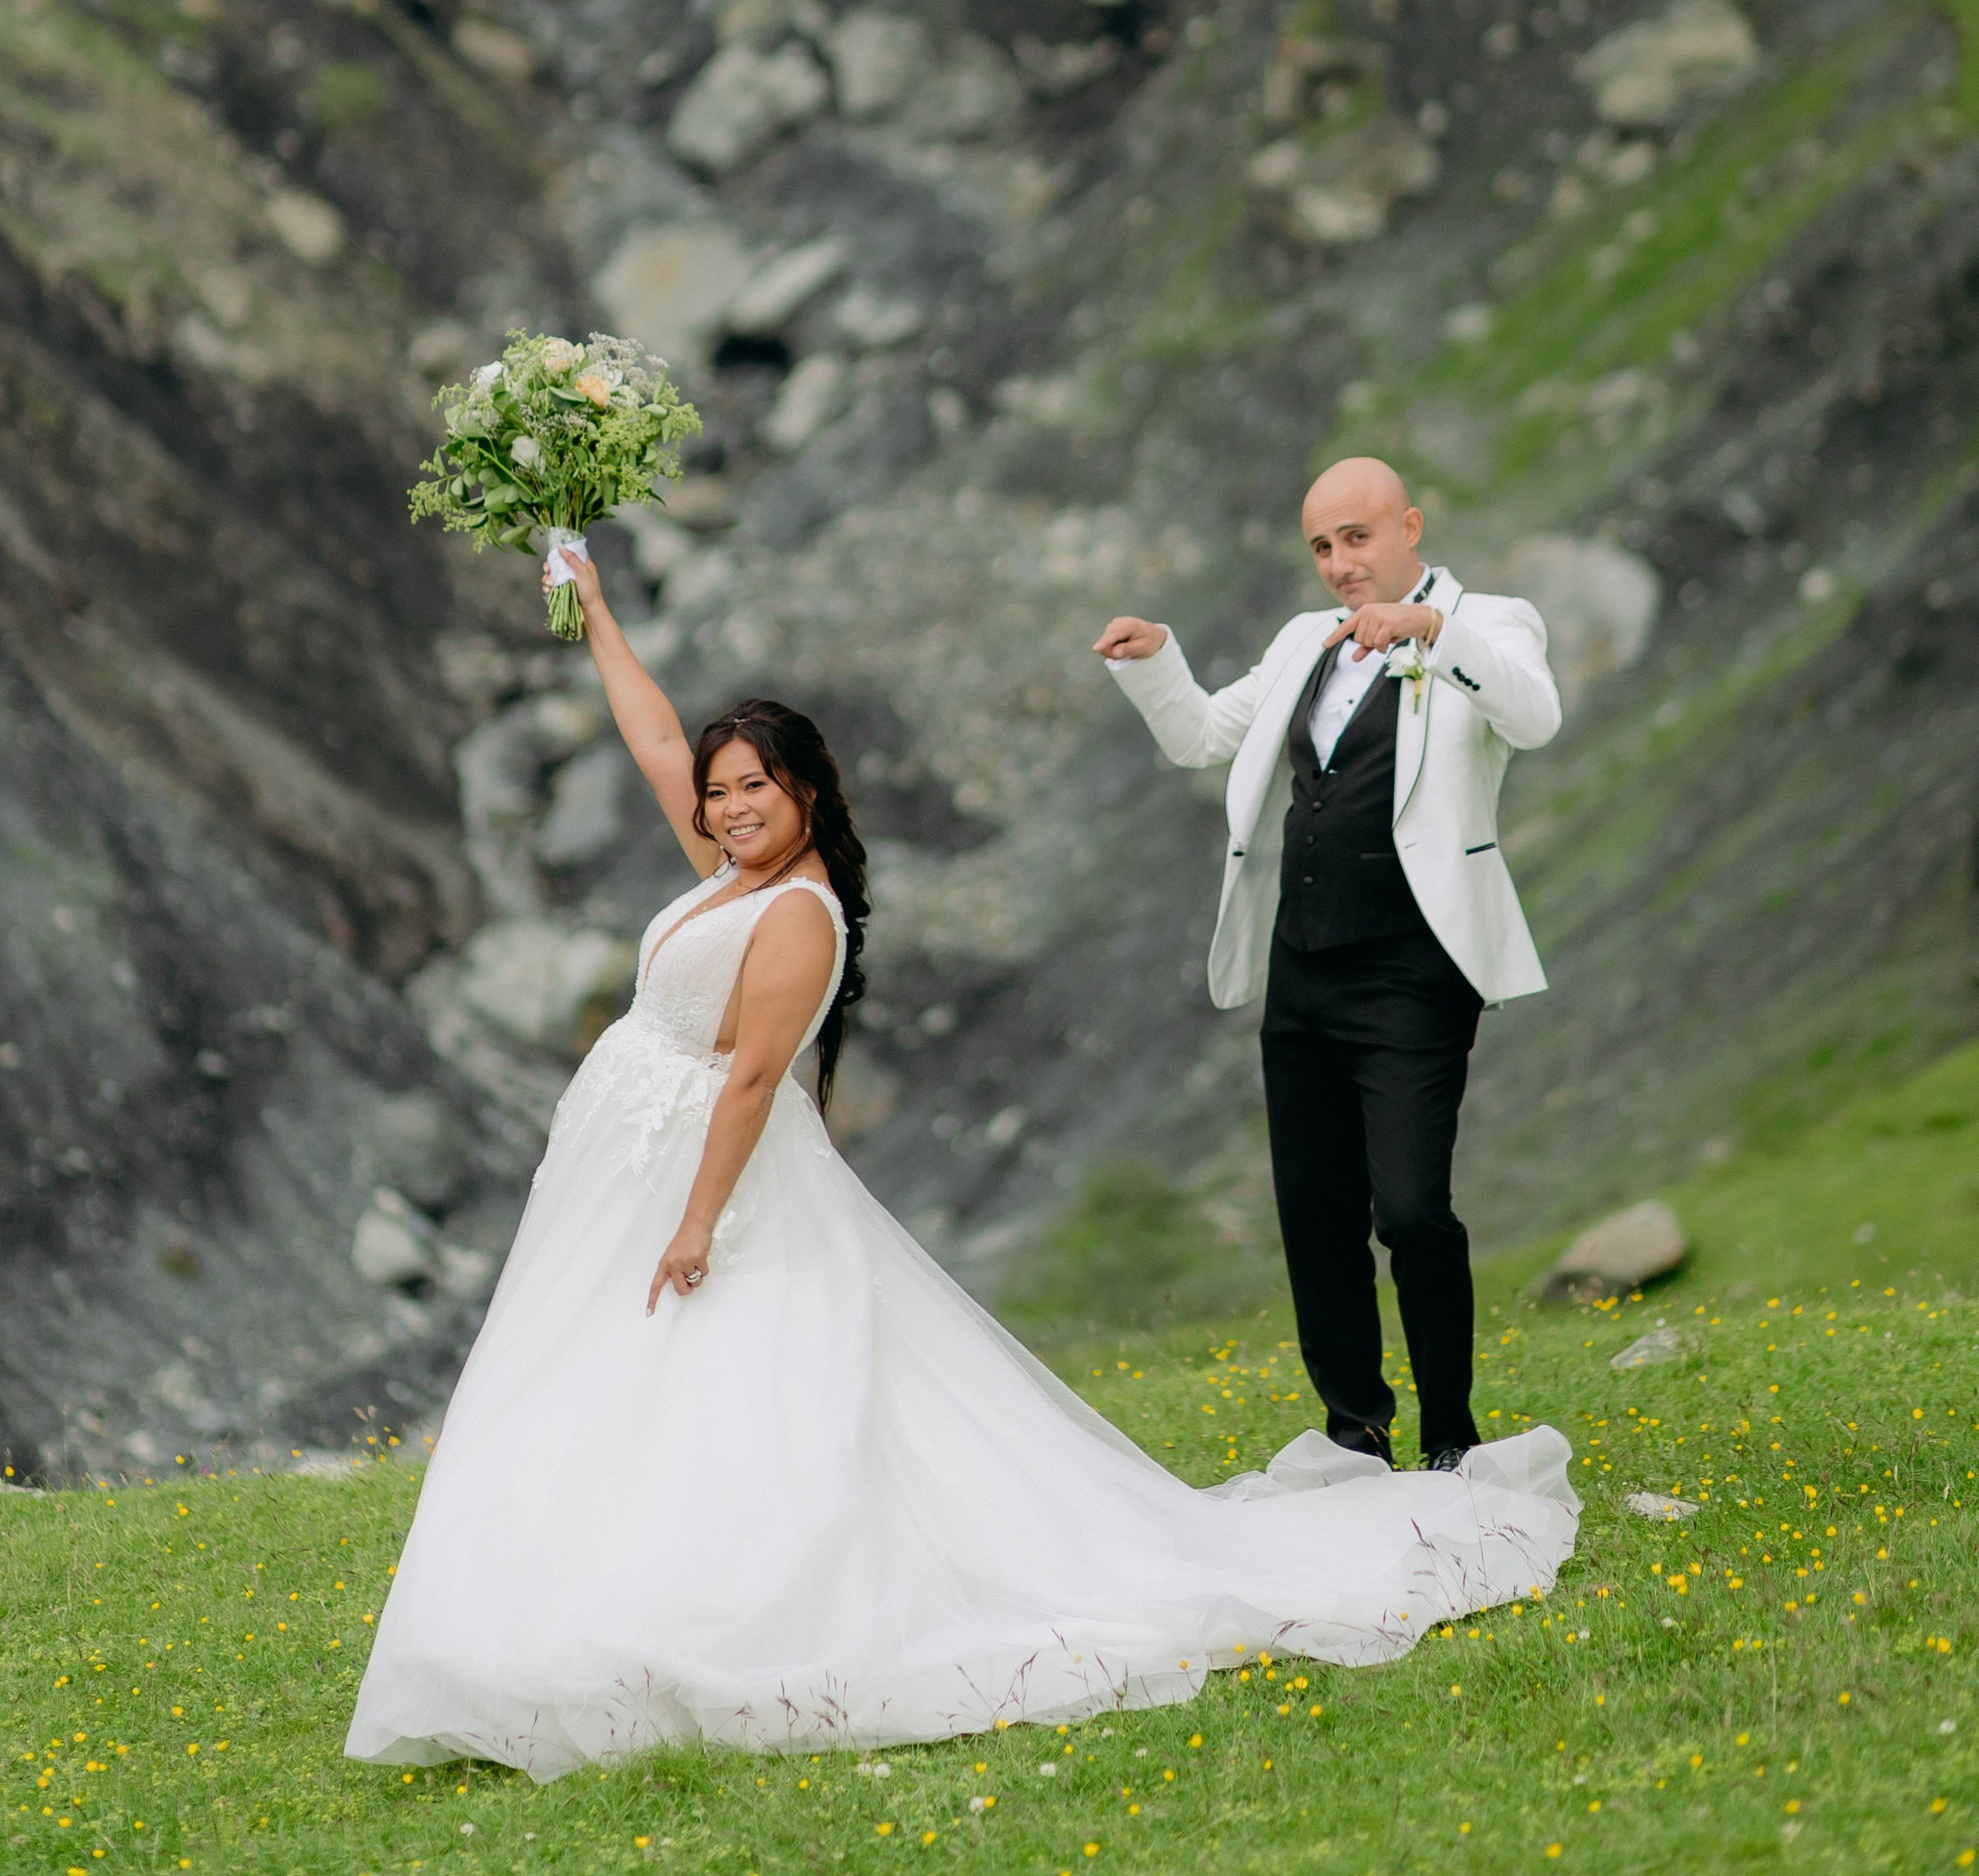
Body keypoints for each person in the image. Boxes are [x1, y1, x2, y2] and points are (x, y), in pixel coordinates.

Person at [346, 528, 1575, 1782]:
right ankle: (566, 1599)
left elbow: (759, 1080)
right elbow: (657, 738)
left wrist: (697, 1219)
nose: (727, 807)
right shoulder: (721, 866)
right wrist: (598, 610)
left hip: (700, 1175)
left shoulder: (796, 913)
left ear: (807, 793)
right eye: (719, 794)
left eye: (754, 788)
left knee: (725, 1380)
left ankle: (688, 1613)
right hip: (622, 1165)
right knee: (598, 1374)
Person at [1095, 458, 1559, 1473]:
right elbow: (1204, 737)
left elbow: (1535, 714)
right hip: (1302, 967)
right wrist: (1156, 659)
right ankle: (1356, 1428)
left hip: (1412, 969)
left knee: (1410, 1210)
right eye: (1321, 546)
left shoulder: (1492, 619)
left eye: (1357, 538)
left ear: (1408, 526)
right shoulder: (1303, 642)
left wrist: (1434, 633)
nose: (1341, 565)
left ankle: (1448, 1428)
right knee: (1315, 1214)